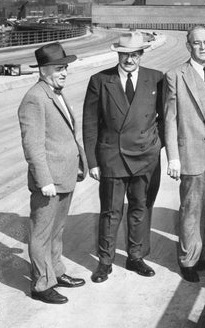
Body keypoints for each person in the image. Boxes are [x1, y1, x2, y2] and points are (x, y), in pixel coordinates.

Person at [83, 31, 163, 283]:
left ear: (141, 54)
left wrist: (154, 143)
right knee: (110, 211)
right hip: (112, 157)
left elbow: (167, 116)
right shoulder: (100, 80)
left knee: (140, 208)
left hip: (145, 156)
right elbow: (90, 124)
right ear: (118, 54)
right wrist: (92, 161)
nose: (130, 60)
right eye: (125, 55)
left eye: (135, 54)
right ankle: (104, 262)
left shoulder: (156, 79)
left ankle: (135, 257)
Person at [18, 42, 88, 304]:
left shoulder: (54, 92)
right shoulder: (34, 98)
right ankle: (41, 284)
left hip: (65, 175)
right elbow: (33, 145)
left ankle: (56, 272)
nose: (64, 73)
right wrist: (44, 180)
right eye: (59, 68)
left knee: (57, 231)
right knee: (41, 233)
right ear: (44, 70)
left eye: (66, 67)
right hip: (49, 181)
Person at [164, 26, 205, 282]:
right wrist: (173, 157)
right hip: (193, 152)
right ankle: (188, 260)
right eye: (197, 43)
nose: (202, 47)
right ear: (188, 46)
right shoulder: (175, 75)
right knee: (192, 207)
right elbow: (170, 119)